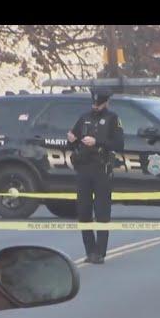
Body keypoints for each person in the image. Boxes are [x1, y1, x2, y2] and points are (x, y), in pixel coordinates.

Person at [67, 88, 124, 264]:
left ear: (106, 103)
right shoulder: (84, 118)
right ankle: (90, 250)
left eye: (98, 104)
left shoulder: (113, 119)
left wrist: (97, 142)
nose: (95, 107)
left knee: (101, 212)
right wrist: (72, 140)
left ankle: (100, 252)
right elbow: (74, 140)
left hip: (102, 169)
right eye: (93, 104)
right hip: (84, 169)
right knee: (83, 212)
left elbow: (119, 144)